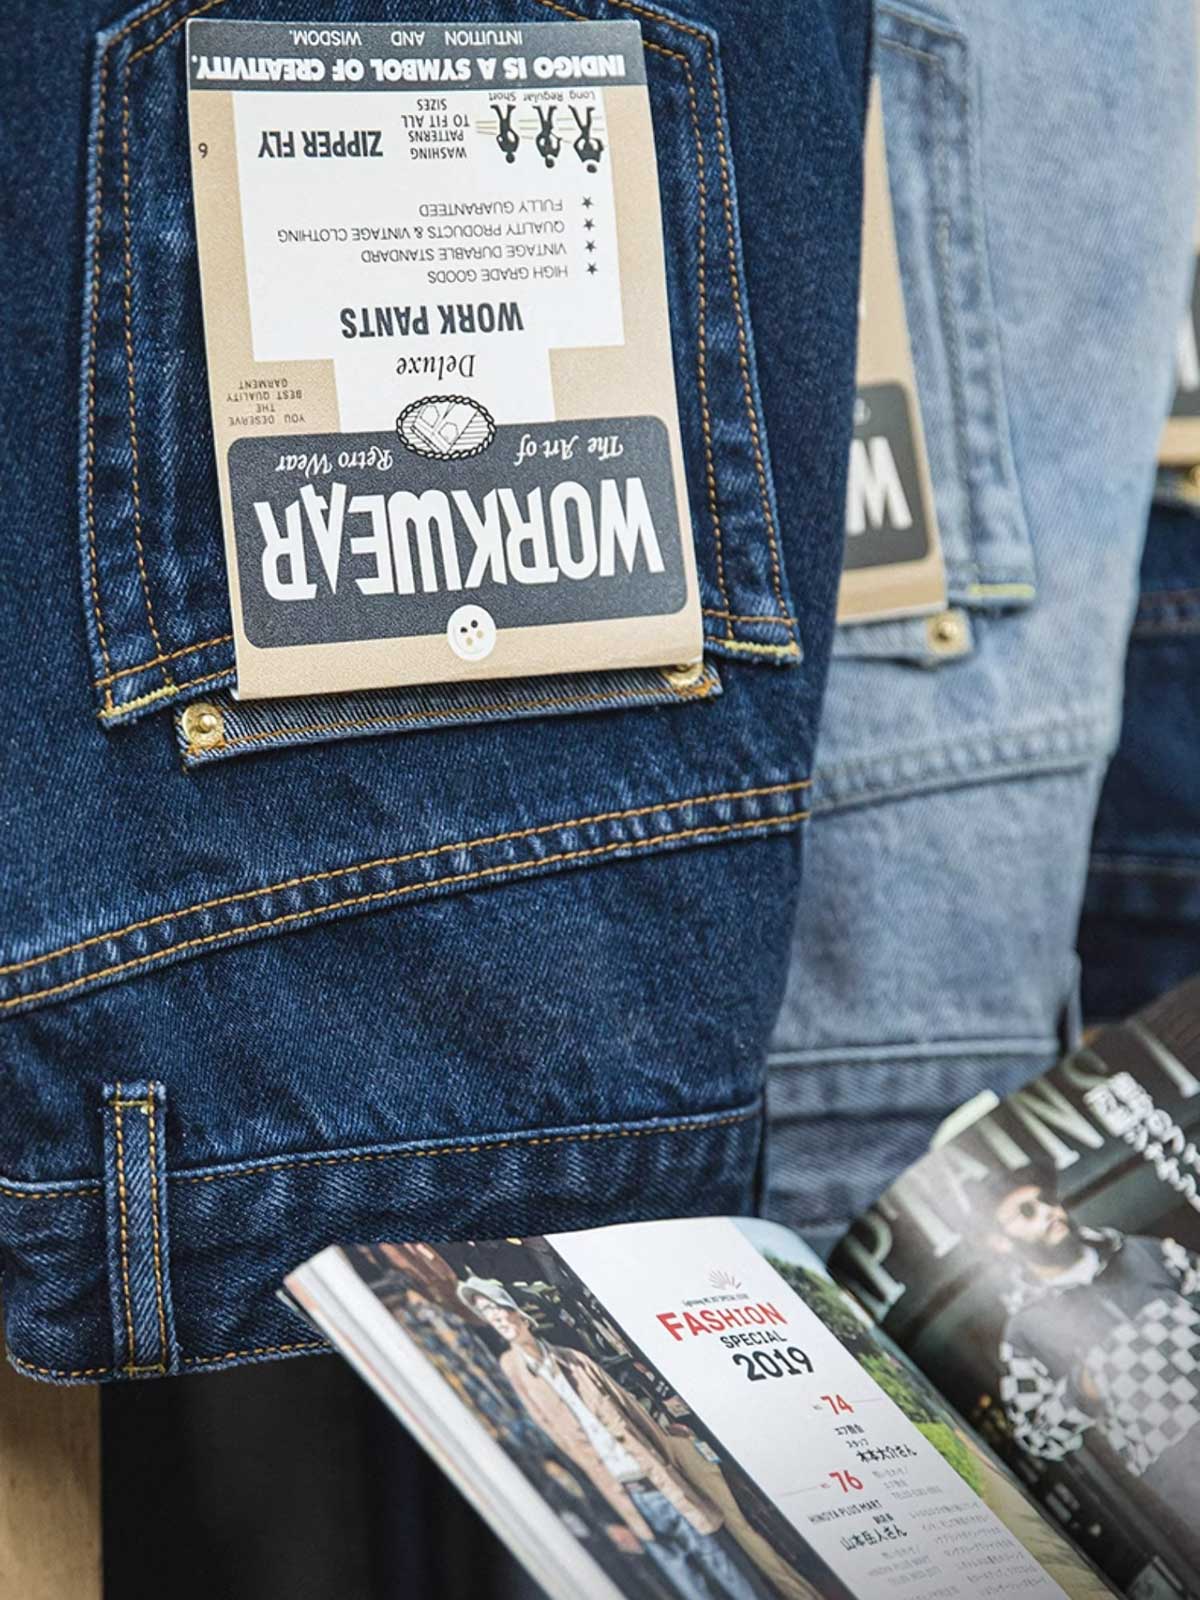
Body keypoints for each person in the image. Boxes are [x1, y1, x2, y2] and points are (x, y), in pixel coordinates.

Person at [456, 1277, 770, 1599]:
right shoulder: (513, 1372)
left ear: (517, 1312)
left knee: (717, 1560)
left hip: (655, 1481)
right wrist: (603, 1516)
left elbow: (636, 1415)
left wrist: (670, 1466)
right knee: (687, 1584)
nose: (495, 1317)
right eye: (485, 1312)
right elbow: (555, 1450)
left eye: (496, 1307)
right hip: (618, 1499)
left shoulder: (576, 1360)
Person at [986, 1174, 1200, 1576]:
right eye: (1027, 1211)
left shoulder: (1143, 1251)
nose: (1048, 1211)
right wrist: (1081, 1392)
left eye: (1046, 1198)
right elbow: (1034, 1434)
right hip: (1179, 1465)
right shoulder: (1024, 1331)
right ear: (1001, 1243)